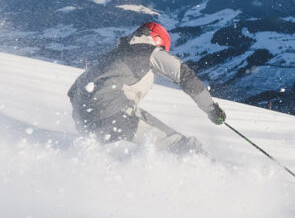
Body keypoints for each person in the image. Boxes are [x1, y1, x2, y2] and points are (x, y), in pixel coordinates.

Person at [67, 21, 226, 154]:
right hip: (116, 115)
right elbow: (185, 76)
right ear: (157, 41)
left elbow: (74, 90)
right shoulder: (150, 51)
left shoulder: (112, 55)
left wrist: (87, 116)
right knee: (183, 147)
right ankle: (217, 179)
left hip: (86, 123)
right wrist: (211, 109)